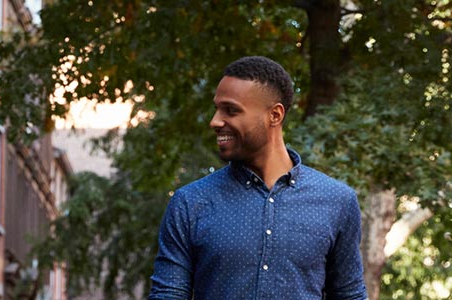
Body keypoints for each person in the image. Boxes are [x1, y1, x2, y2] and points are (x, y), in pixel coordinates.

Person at [147, 56, 367, 299]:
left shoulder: (337, 201)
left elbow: (349, 295)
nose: (215, 121)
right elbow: (167, 294)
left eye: (231, 110)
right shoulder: (190, 203)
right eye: (217, 109)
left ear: (275, 115)